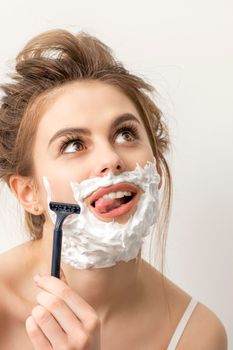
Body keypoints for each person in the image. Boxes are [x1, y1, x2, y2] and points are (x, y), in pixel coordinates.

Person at [0, 28, 227, 350]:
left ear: (156, 168)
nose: (111, 159)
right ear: (27, 193)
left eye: (125, 134)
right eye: (73, 144)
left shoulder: (197, 334)